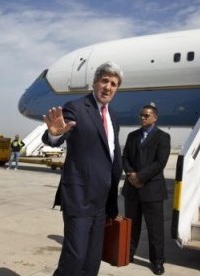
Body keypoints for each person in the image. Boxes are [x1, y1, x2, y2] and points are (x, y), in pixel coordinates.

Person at [42, 61, 123, 276]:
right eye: (104, 81)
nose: (108, 87)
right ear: (95, 82)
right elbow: (56, 137)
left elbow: (112, 155)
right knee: (75, 257)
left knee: (92, 259)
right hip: (79, 197)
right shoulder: (76, 107)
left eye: (113, 84)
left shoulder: (112, 116)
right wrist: (55, 133)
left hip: (103, 201)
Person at [121, 104, 171, 275]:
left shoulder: (163, 137)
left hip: (152, 189)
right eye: (141, 115)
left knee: (155, 229)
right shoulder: (132, 136)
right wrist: (130, 174)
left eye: (146, 115)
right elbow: (125, 157)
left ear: (155, 118)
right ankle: (128, 254)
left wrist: (140, 177)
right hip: (132, 190)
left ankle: (157, 261)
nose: (143, 118)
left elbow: (160, 163)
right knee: (131, 226)